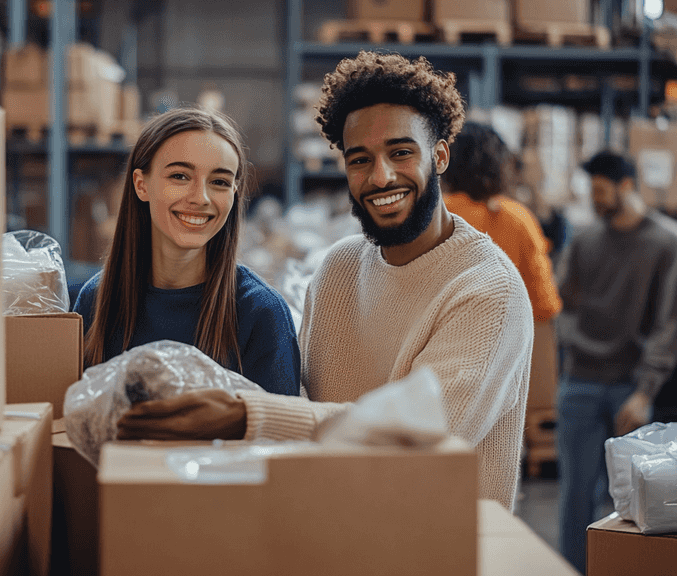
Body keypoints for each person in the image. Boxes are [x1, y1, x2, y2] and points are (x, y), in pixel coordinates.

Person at [116, 51, 534, 511]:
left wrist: (245, 416)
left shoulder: (488, 290)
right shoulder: (339, 269)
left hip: (437, 548)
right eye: (360, 159)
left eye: (400, 152)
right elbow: (306, 414)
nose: (381, 176)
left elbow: (416, 439)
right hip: (336, 536)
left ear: (439, 155)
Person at [73, 106, 300, 397]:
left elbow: (282, 438)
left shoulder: (260, 312)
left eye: (219, 182)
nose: (200, 198)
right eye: (180, 176)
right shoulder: (97, 300)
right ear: (141, 185)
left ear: (234, 192)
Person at [556, 151, 677, 573]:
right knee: (575, 496)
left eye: (601, 191)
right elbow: (563, 301)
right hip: (580, 383)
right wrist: (573, 343)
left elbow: (669, 322)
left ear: (626, 186)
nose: (595, 200)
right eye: (591, 191)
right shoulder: (586, 239)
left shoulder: (665, 242)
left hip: (631, 385)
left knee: (638, 502)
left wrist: (646, 390)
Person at [442, 122, 563, 323]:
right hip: (503, 347)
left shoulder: (432, 217)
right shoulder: (516, 219)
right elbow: (544, 307)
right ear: (499, 163)